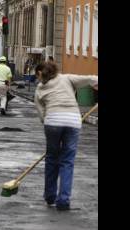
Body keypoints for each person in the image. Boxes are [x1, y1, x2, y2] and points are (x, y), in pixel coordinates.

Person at [34, 61, 98, 211]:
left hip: (52, 121)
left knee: (51, 159)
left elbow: (41, 112)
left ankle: (50, 197)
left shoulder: (39, 88)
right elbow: (91, 78)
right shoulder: (66, 78)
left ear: (40, 74)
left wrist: (48, 121)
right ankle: (63, 200)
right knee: (67, 161)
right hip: (73, 121)